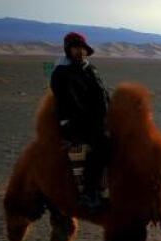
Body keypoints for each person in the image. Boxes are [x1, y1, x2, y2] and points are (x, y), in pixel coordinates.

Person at [50, 31, 110, 211]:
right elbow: (70, 102)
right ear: (68, 50)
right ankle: (89, 192)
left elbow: (102, 94)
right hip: (75, 123)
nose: (81, 52)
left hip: (95, 120)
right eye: (76, 48)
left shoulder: (89, 68)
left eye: (82, 48)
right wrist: (97, 122)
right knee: (103, 145)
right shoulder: (62, 73)